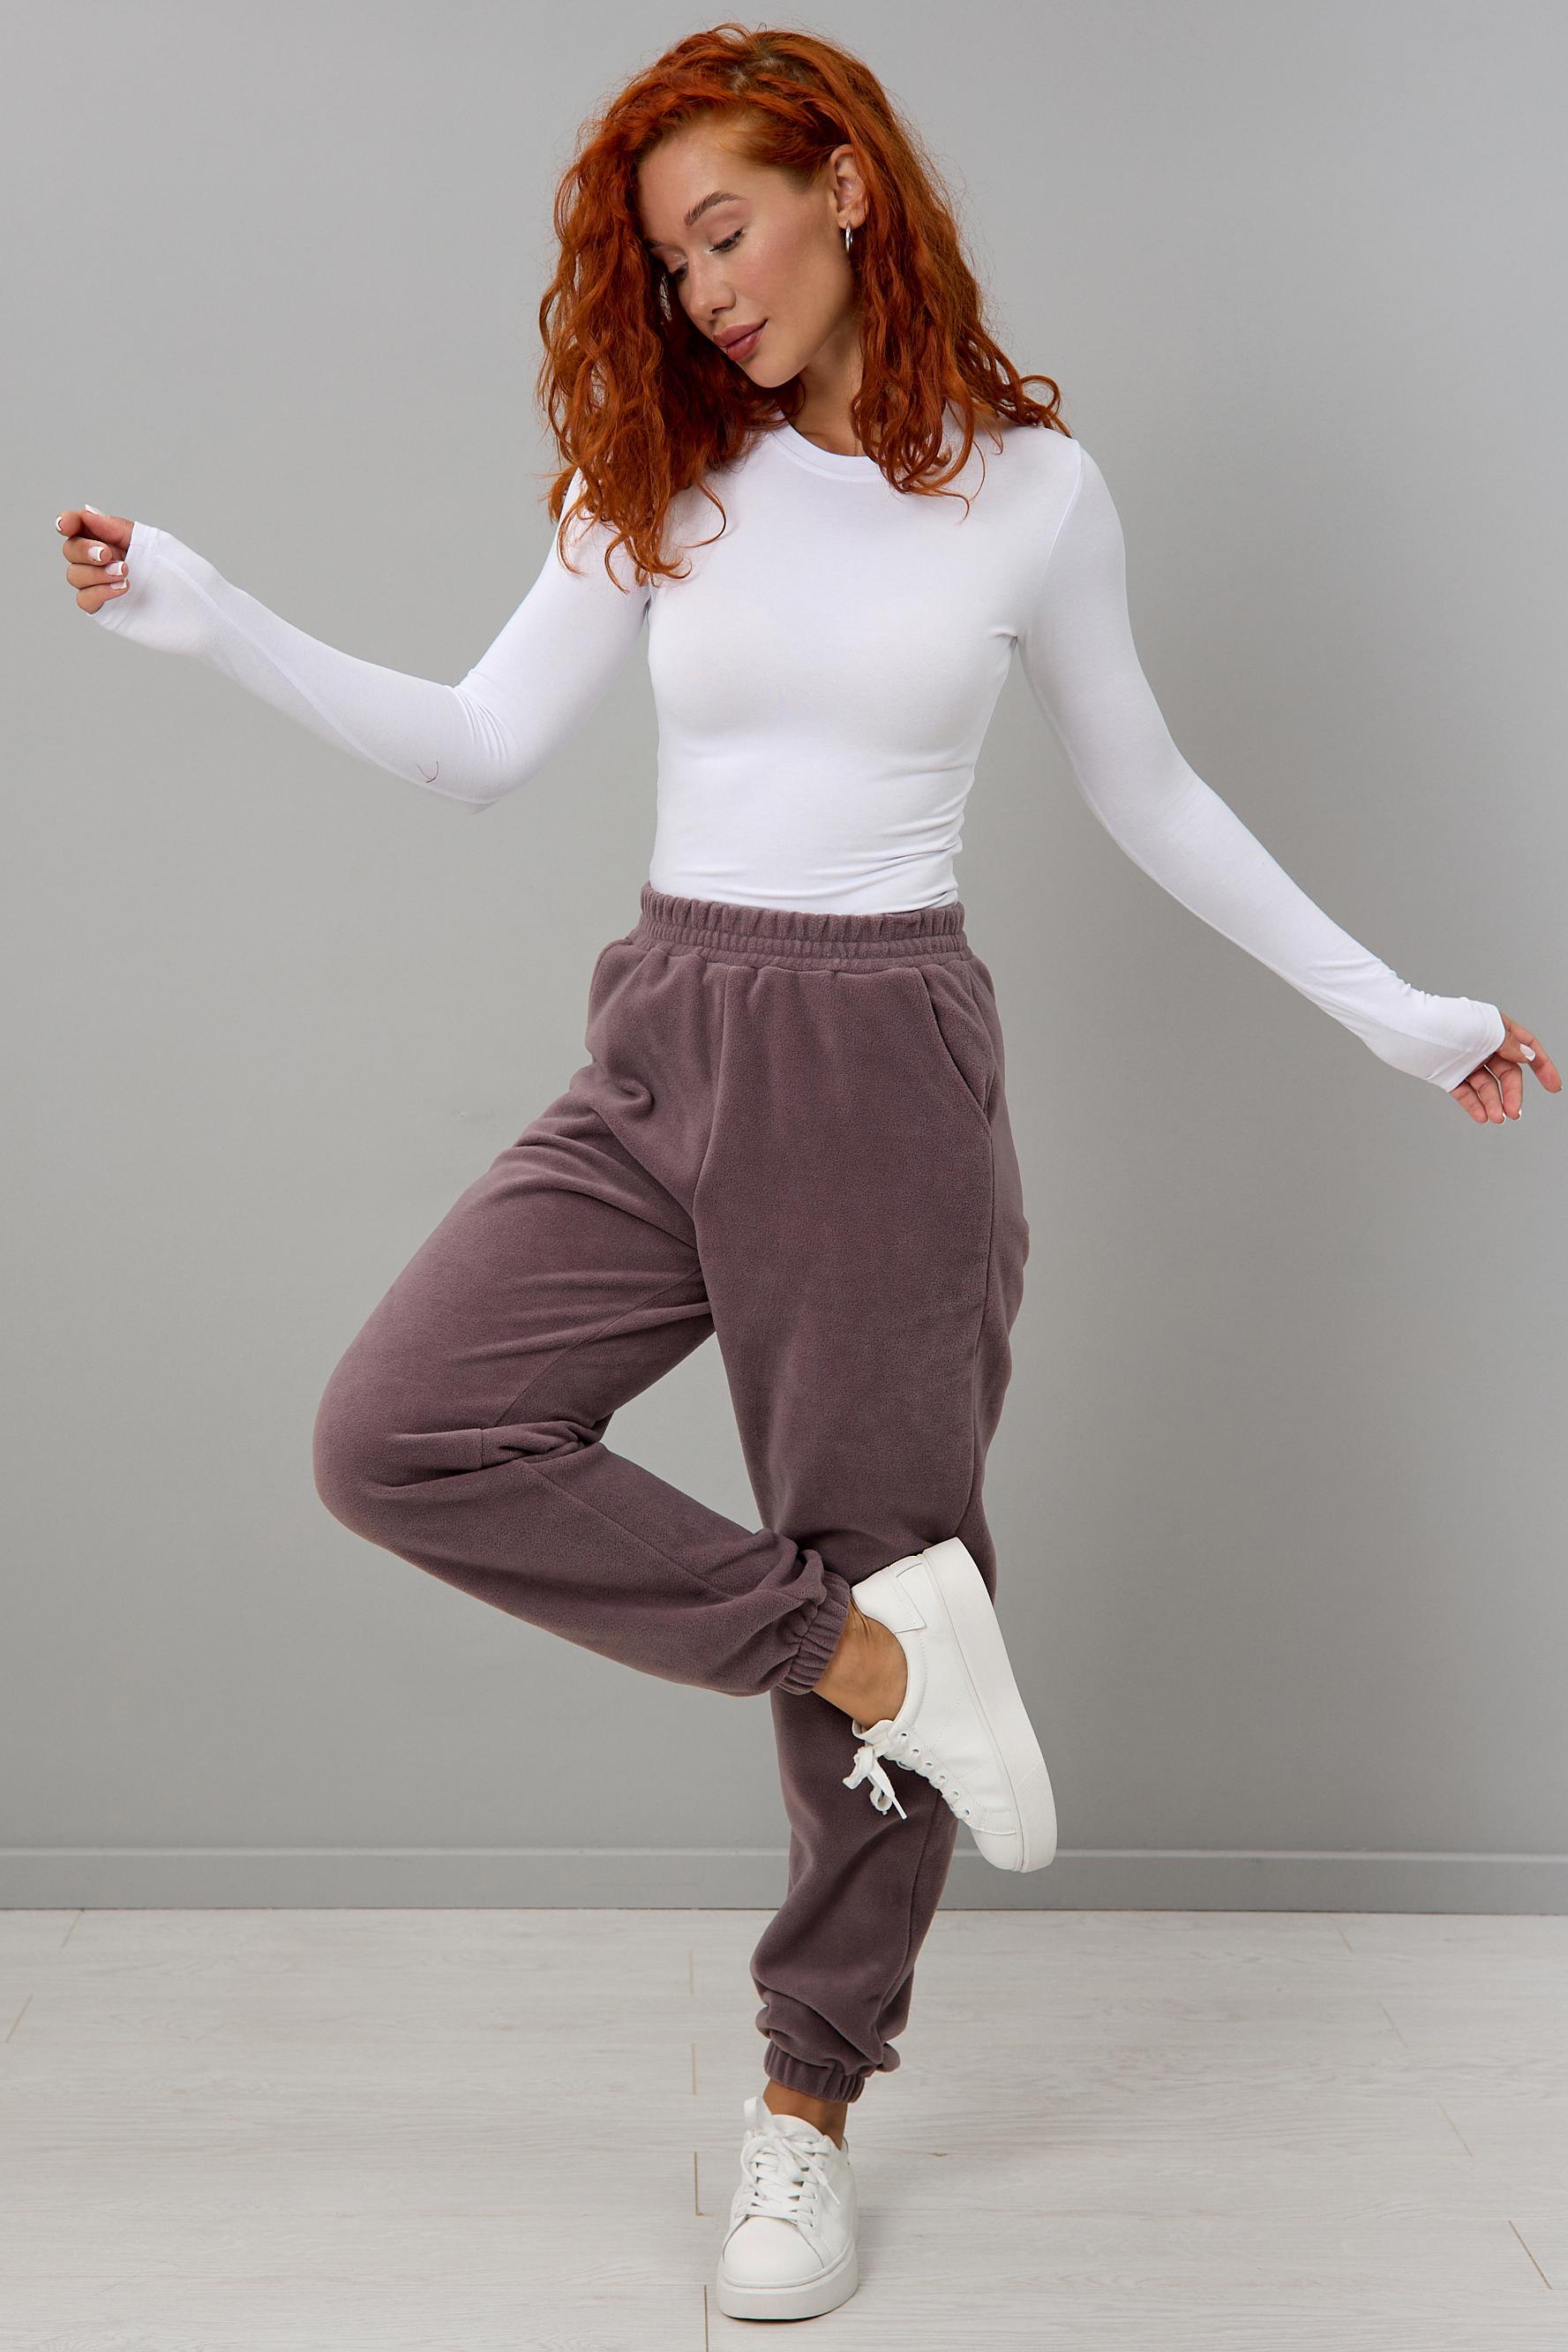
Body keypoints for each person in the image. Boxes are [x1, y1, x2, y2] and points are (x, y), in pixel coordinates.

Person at [58, 20, 1555, 2326]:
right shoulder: (662, 475)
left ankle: (805, 2108)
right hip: (669, 1031)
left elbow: (1153, 797)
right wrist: (205, 609)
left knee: (879, 1532)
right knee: (405, 1430)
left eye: (724, 232)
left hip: (881, 1063)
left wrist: (1407, 1015)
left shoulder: (1033, 494)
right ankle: (870, 1652)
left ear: (845, 183)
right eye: (670, 264)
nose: (702, 293)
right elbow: (475, 746)